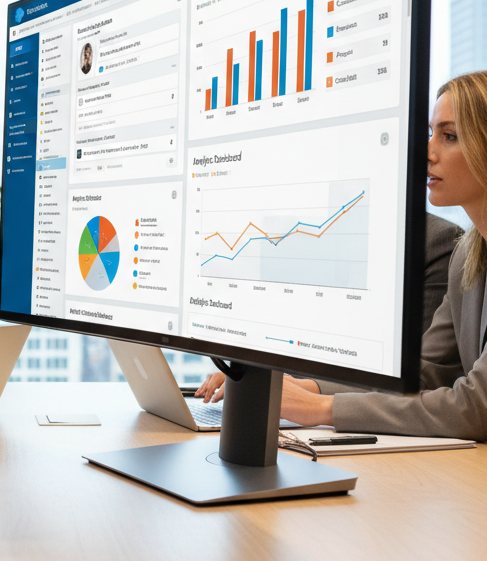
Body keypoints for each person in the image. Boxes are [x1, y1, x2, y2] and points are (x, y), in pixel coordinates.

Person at [196, 72, 487, 440]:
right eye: (431, 133)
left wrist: (319, 410)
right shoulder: (469, 257)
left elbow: (477, 407)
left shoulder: (445, 245)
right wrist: (301, 389)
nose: (427, 151)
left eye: (449, 136)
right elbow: (427, 373)